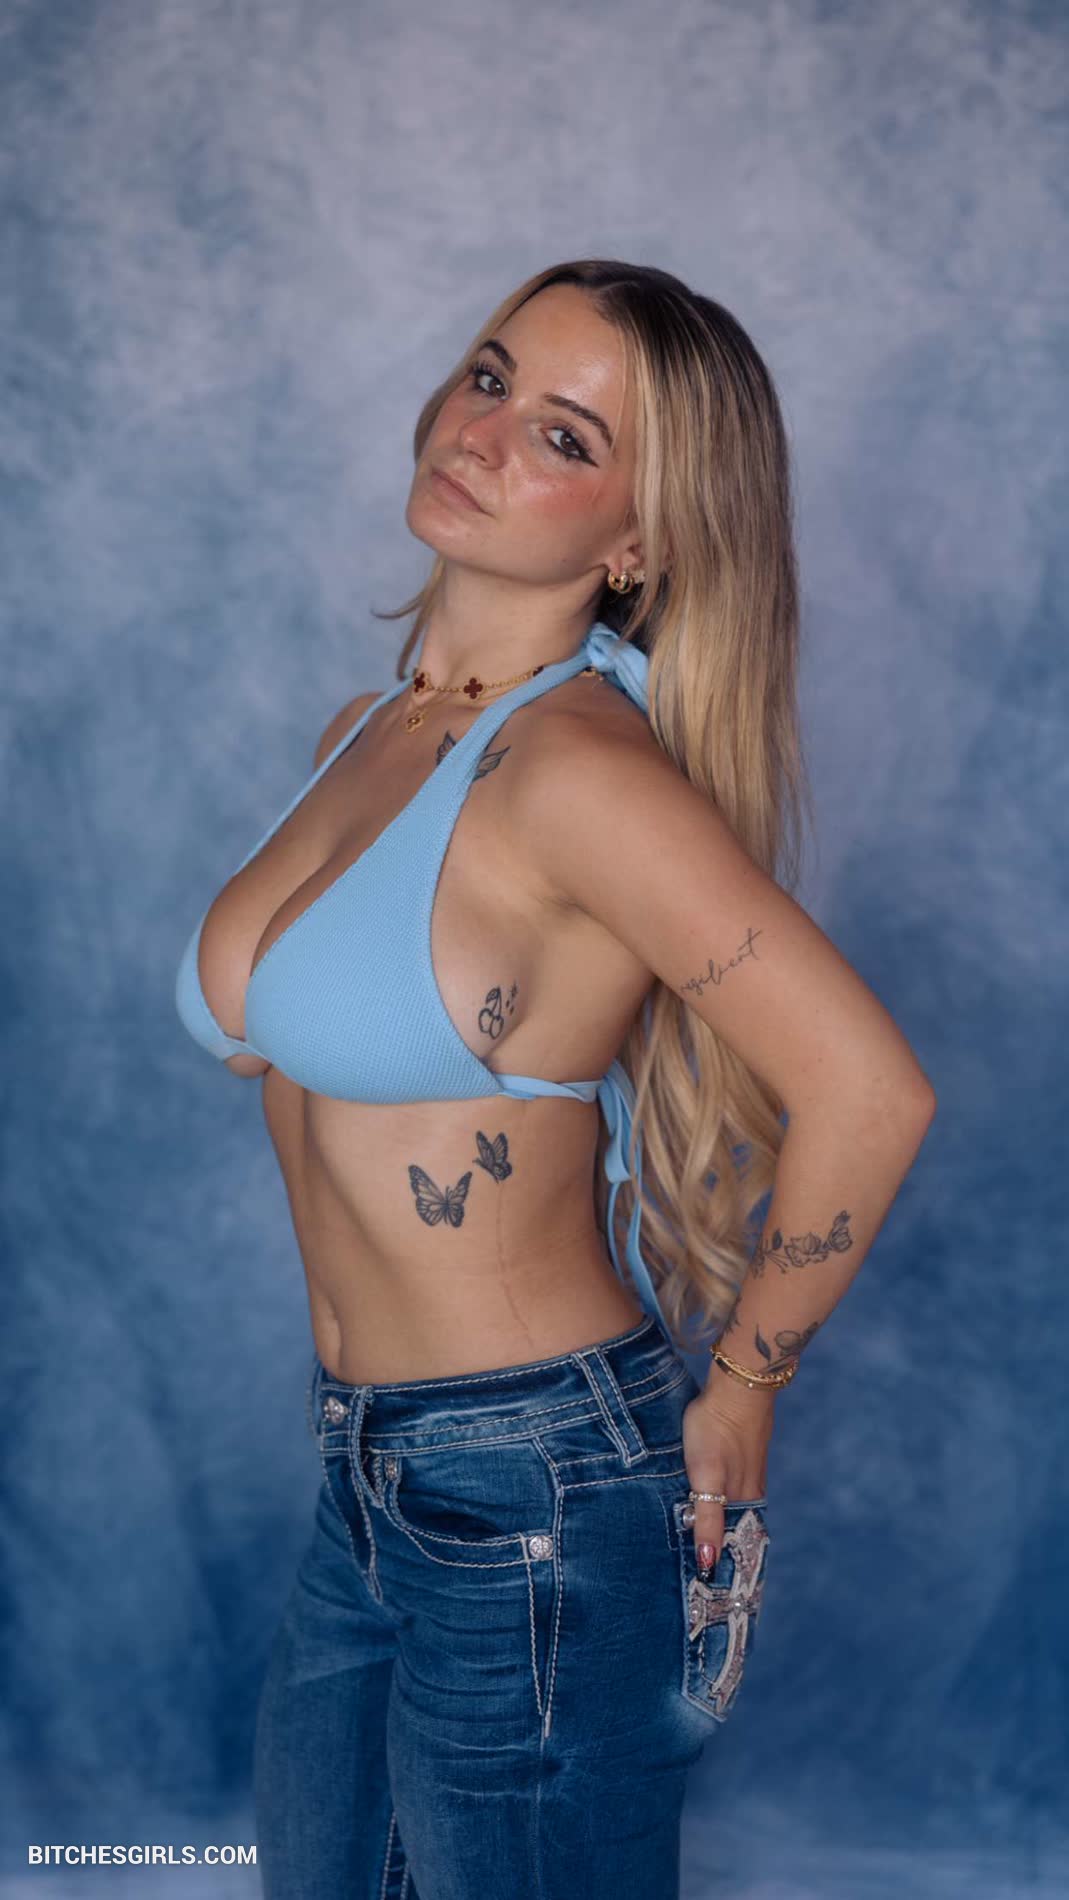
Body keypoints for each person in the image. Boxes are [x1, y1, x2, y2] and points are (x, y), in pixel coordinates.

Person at [175, 257, 936, 1899]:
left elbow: (869, 1090)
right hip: (366, 1473)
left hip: (530, 1482)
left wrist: (745, 1388)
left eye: (566, 436)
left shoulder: (580, 773)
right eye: (491, 375)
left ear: (637, 546)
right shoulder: (367, 731)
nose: (484, 432)